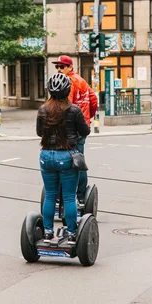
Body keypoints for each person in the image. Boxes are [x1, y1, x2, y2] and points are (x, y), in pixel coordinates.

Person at [37, 73, 91, 244]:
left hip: (46, 155)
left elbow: (39, 133)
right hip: (67, 155)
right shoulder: (74, 110)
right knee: (69, 196)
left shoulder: (43, 109)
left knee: (51, 195)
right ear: (68, 90)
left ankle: (47, 233)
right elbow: (85, 131)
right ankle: (73, 235)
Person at [52, 55, 98, 204]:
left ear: (70, 67)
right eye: (57, 67)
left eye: (62, 66)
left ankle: (62, 197)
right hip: (82, 126)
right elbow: (94, 100)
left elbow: (65, 106)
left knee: (63, 161)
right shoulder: (82, 81)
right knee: (79, 160)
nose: (59, 69)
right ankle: (82, 196)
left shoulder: (68, 83)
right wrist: (87, 117)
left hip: (69, 128)